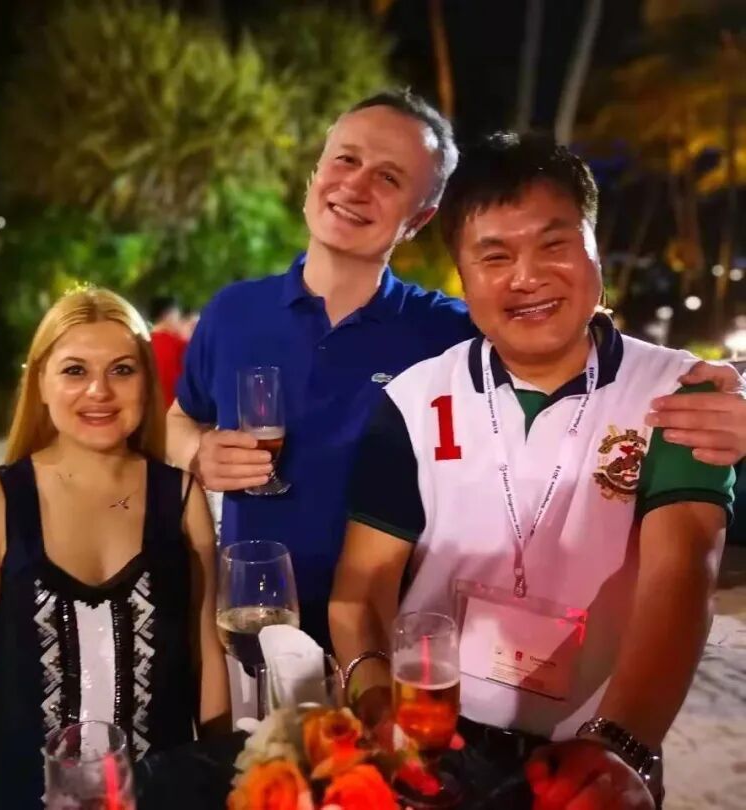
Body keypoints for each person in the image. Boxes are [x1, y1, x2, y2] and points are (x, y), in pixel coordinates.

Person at [166, 87, 746, 650]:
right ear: (315, 175)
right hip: (253, 617)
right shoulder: (233, 312)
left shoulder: (452, 331)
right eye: (345, 160)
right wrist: (198, 451)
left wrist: (718, 387)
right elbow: (175, 421)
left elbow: (568, 335)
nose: (356, 185)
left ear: (420, 217)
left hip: (398, 636)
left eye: (389, 178)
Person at [333, 133, 733, 809]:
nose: (526, 277)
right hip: (434, 735)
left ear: (595, 251)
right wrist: (375, 703)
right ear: (462, 278)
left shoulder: (678, 393)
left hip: (599, 748)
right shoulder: (413, 400)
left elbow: (683, 571)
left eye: (554, 244)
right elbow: (361, 587)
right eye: (495, 256)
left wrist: (621, 747)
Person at [0, 288, 229, 810]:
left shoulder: (181, 499)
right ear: (40, 382)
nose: (99, 391)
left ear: (147, 381)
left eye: (122, 370)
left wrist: (222, 785)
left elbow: (205, 655)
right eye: (75, 371)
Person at [148, 295, 189, 408]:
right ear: (169, 314)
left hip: (151, 412)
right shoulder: (179, 345)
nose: (179, 320)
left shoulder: (140, 344)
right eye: (177, 315)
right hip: (177, 411)